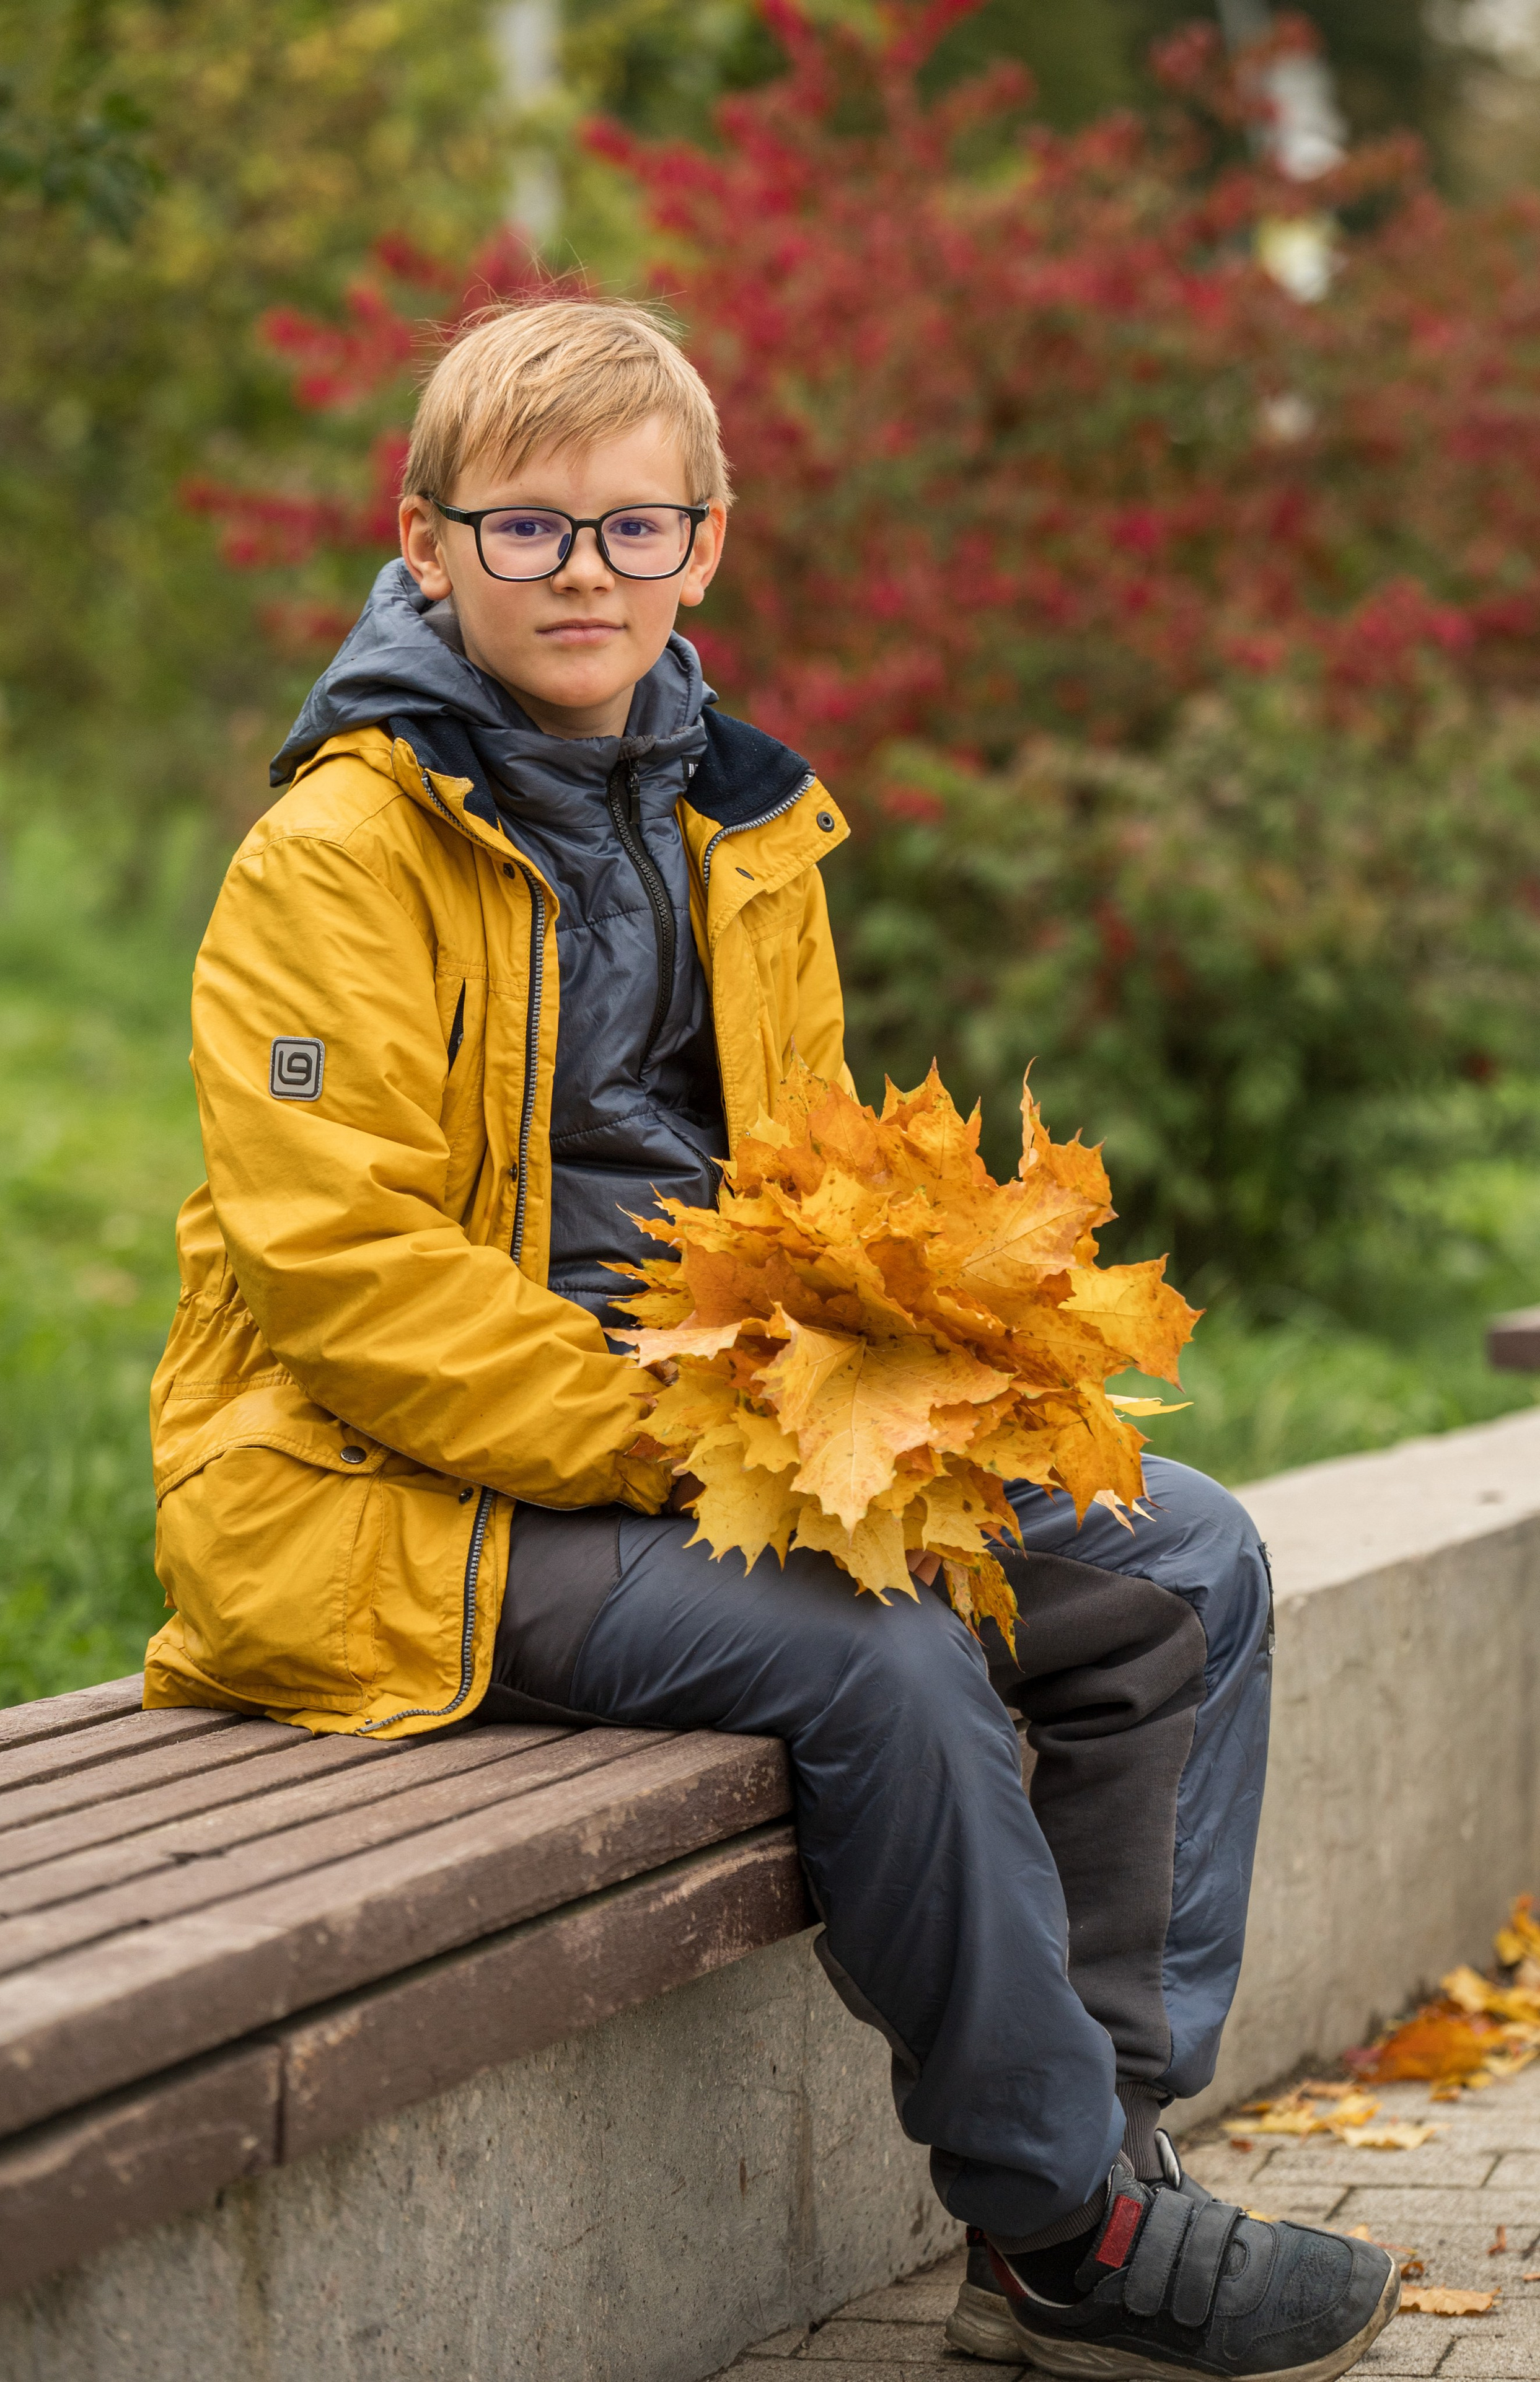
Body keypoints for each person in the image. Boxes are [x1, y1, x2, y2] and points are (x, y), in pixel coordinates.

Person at [144, 297, 1397, 2379]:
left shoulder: (746, 826)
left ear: (705, 544)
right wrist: (671, 1439)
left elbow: (799, 1195)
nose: (583, 573)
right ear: (425, 540)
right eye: (528, 527)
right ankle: (1064, 2222)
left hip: (708, 1438)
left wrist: (908, 1361)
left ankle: (1097, 2176)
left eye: (633, 528)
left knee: (1178, 1559)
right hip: (391, 1494)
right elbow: (336, 1264)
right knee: (875, 1646)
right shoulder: (339, 852)